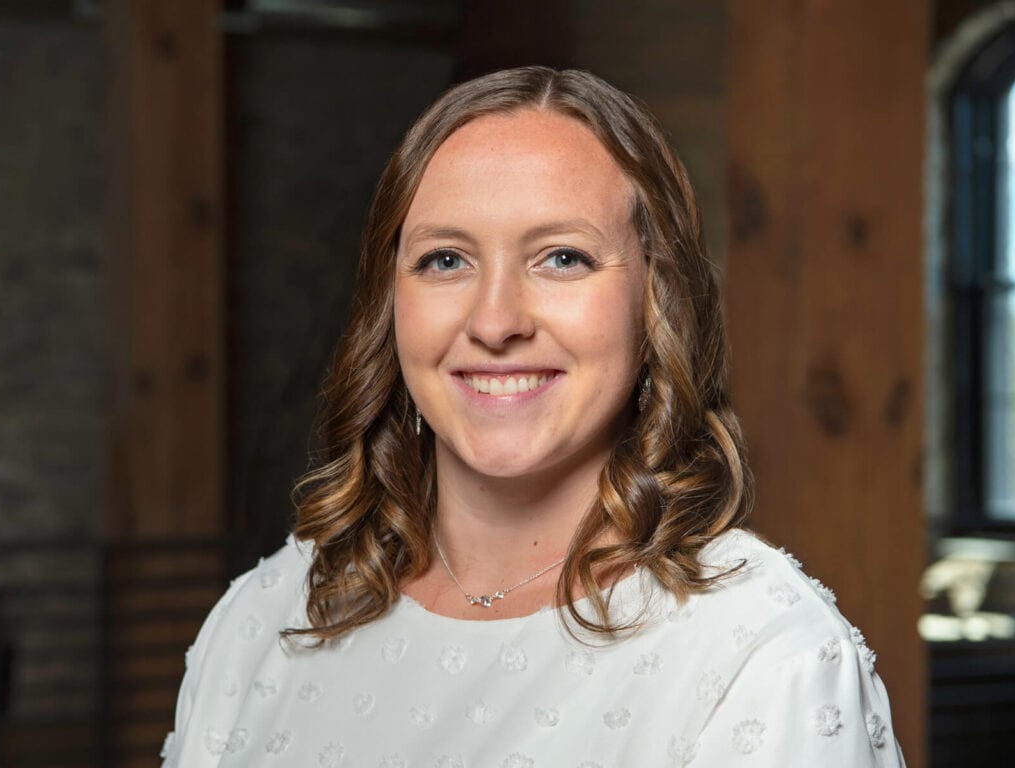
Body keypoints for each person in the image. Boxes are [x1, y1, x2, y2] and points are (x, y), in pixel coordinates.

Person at [161, 67, 905, 767]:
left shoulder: (761, 655)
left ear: (658, 300)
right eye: (445, 260)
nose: (495, 321)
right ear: (390, 307)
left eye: (562, 259)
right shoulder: (268, 618)